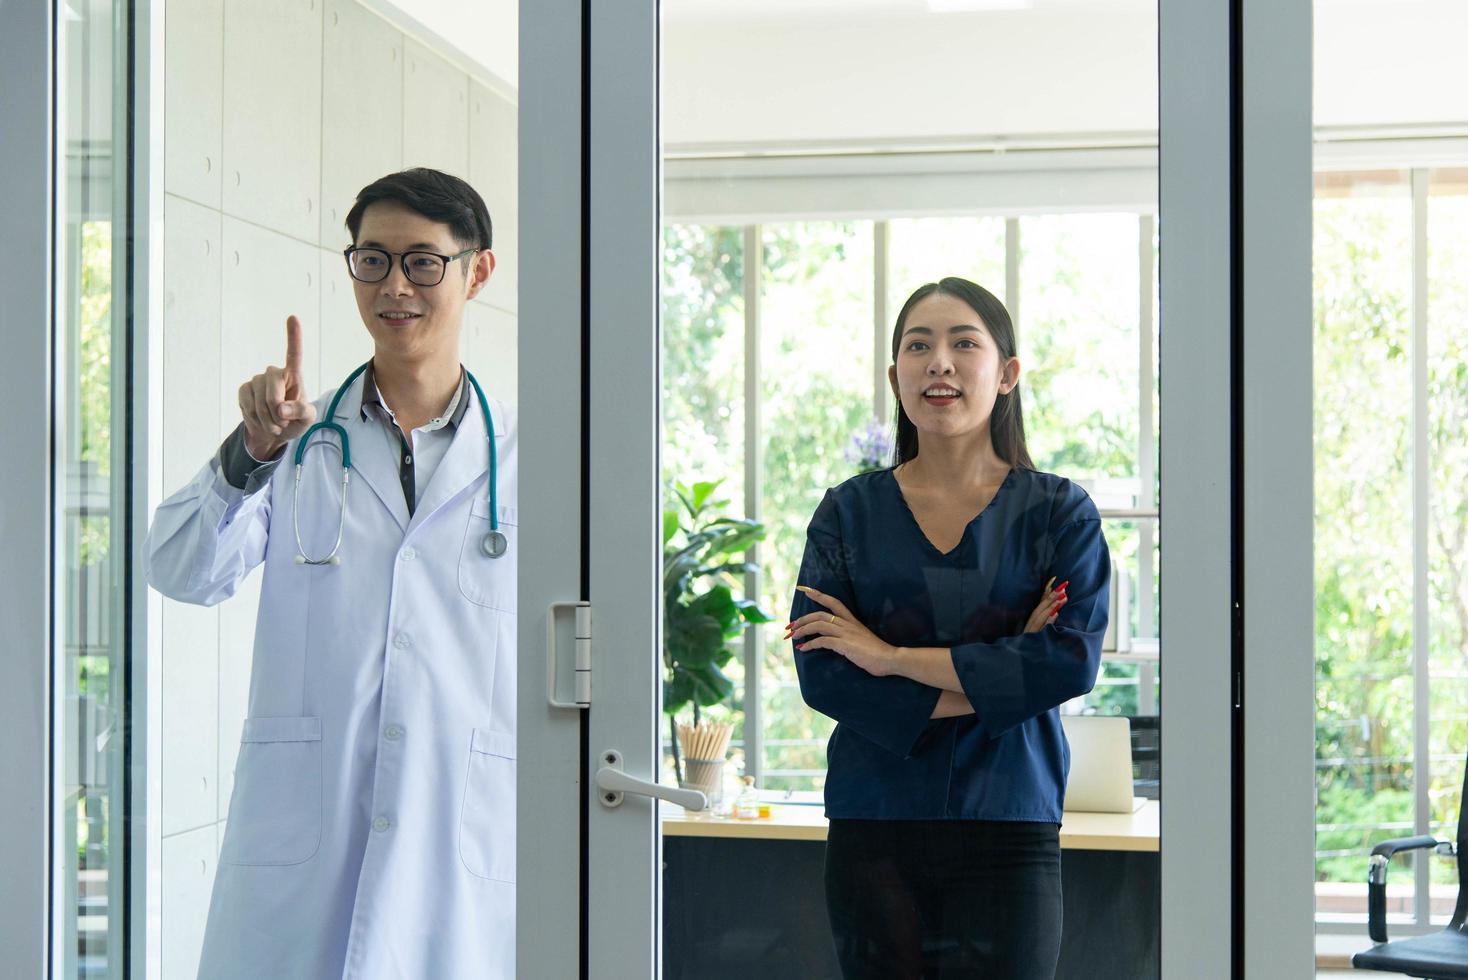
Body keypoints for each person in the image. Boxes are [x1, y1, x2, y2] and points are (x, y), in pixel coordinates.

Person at [145, 168, 517, 979]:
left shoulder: (532, 460)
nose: (394, 287)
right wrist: (250, 454)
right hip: (304, 856)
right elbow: (177, 568)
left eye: (423, 262)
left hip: (460, 845)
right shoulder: (295, 441)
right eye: (372, 260)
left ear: (476, 271)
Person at [787, 276, 1109, 979]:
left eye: (965, 343)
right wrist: (1001, 677)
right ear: (896, 373)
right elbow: (826, 673)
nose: (940, 362)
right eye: (918, 345)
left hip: (1009, 824)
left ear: (1007, 374)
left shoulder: (1059, 513)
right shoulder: (846, 513)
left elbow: (1065, 664)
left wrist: (891, 656)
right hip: (874, 825)